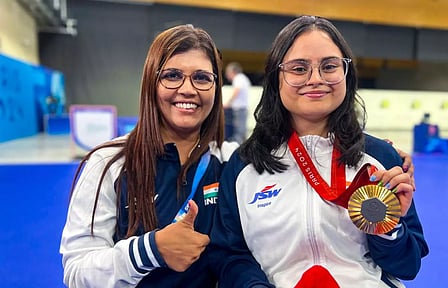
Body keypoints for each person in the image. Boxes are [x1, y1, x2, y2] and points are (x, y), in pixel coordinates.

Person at [209, 16, 429, 288]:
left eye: (329, 66)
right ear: (276, 77)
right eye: (299, 69)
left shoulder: (381, 158)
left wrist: (388, 228)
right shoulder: (244, 166)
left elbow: (408, 266)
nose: (316, 79)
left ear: (346, 73)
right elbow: (231, 256)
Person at [60, 24, 238, 287]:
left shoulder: (230, 161)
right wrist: (150, 250)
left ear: (215, 87)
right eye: (173, 75)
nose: (188, 89)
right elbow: (77, 273)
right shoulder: (109, 163)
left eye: (201, 78)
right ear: (151, 83)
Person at [224, 62, 251, 143]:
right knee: (241, 131)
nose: (227, 75)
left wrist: (228, 103)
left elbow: (236, 91)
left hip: (239, 110)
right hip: (242, 109)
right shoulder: (243, 78)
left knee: (238, 132)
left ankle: (237, 151)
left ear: (233, 71)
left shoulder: (238, 78)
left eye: (228, 73)